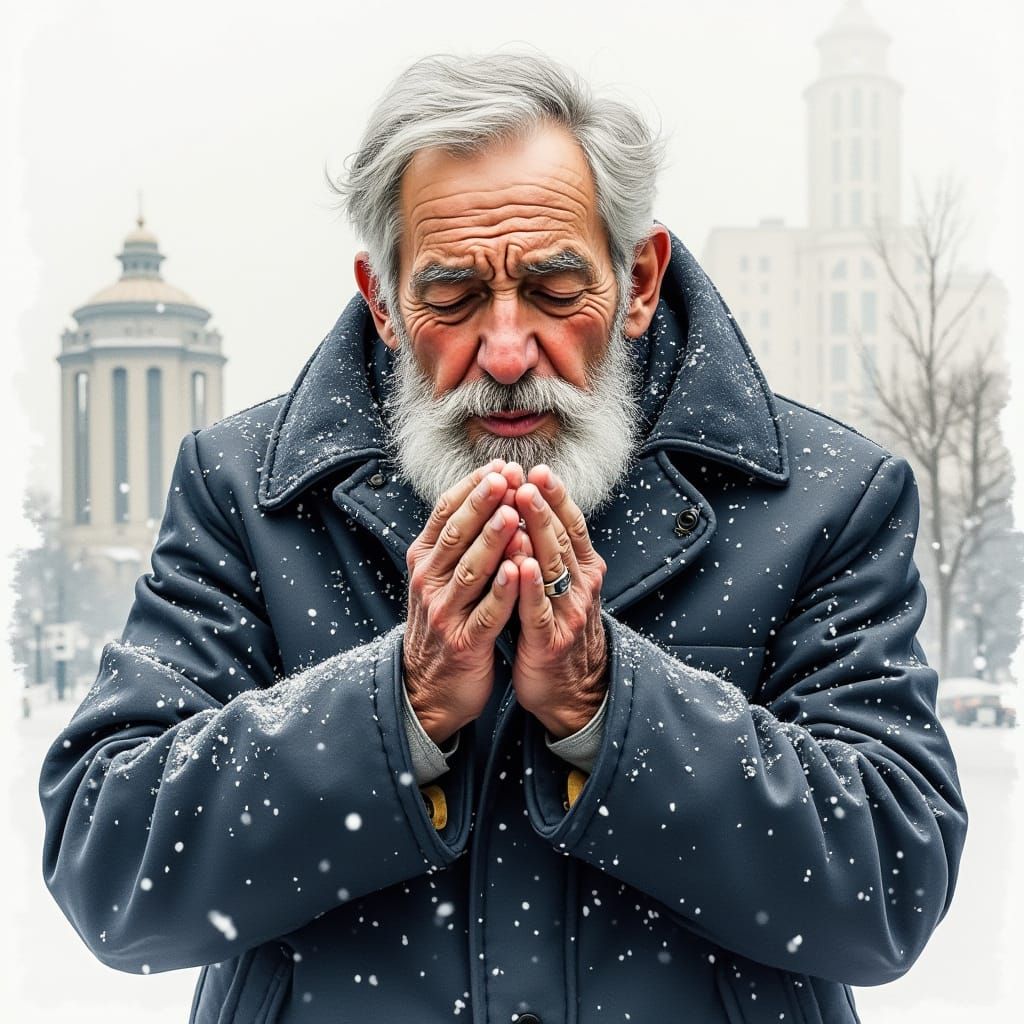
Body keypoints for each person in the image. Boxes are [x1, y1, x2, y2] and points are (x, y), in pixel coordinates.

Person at [39, 52, 967, 1024]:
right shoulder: (246, 493)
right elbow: (113, 870)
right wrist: (394, 707)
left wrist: (613, 706)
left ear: (638, 277)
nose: (509, 351)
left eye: (556, 287)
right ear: (383, 301)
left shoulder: (825, 498)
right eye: (451, 297)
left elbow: (890, 888)